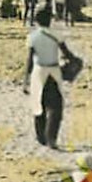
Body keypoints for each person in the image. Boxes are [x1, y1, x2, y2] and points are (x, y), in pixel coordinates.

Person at [25, 8, 73, 149]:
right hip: (54, 71)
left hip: (38, 71)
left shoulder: (32, 37)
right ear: (49, 20)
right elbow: (67, 53)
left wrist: (25, 80)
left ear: (36, 21)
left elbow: (29, 60)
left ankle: (41, 137)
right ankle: (51, 137)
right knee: (55, 106)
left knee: (38, 103)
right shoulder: (56, 35)